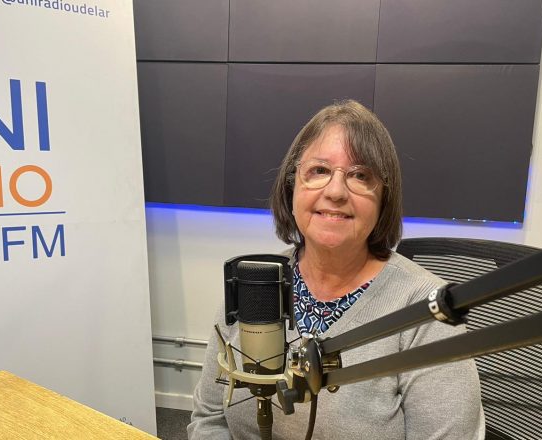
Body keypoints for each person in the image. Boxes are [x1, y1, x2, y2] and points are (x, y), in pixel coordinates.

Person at [188, 100, 485, 439]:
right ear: (292, 186)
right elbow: (210, 419)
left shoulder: (425, 312)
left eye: (360, 175)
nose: (335, 191)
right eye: (319, 171)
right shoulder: (256, 281)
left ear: (384, 198)